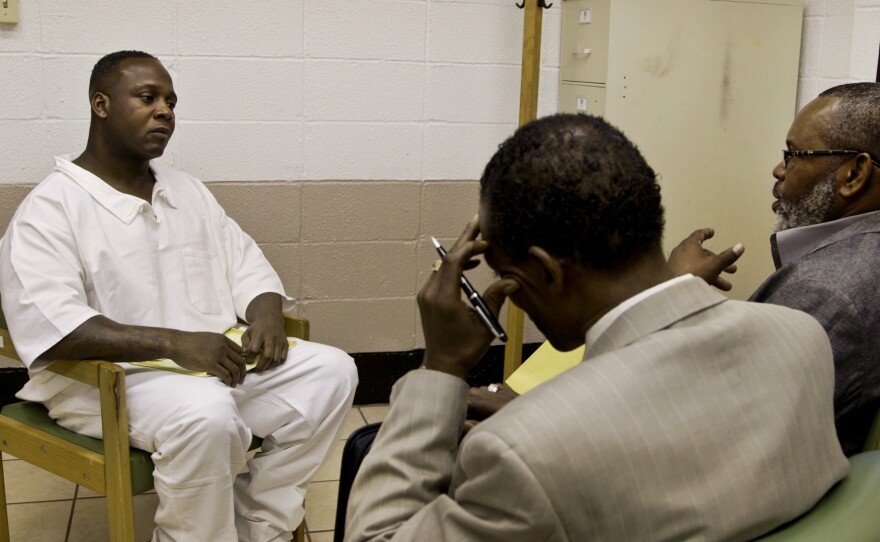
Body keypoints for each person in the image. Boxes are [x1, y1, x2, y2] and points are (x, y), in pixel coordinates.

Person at [345, 113, 847, 541]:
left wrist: (441, 367)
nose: (508, 295)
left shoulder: (523, 455)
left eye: (508, 278)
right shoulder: (800, 335)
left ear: (545, 270)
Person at [0, 50, 358, 542]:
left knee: (332, 370)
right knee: (204, 413)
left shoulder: (186, 191)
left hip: (211, 363)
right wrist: (174, 344)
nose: (165, 111)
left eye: (171, 101)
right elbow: (54, 326)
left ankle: (259, 524)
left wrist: (268, 312)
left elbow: (245, 264)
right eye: (148, 98)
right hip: (106, 380)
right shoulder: (51, 208)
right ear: (100, 105)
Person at [670, 82, 880, 456]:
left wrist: (673, 293)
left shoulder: (826, 292)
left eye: (794, 154)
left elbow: (705, 427)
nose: (778, 169)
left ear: (854, 175)